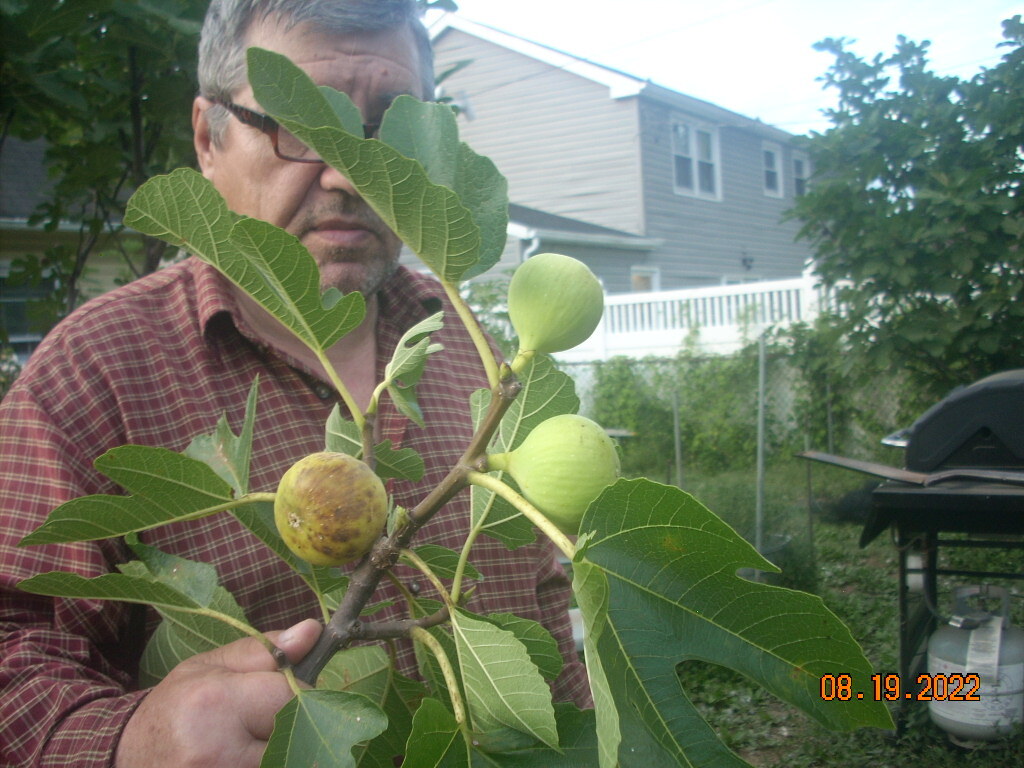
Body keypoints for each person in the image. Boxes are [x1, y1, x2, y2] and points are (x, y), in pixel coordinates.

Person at [0, 2, 590, 766]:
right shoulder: (93, 373)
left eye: (383, 131)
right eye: (301, 123)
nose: (349, 172)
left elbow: (547, 621)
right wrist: (128, 744)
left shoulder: (472, 351)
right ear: (208, 138)